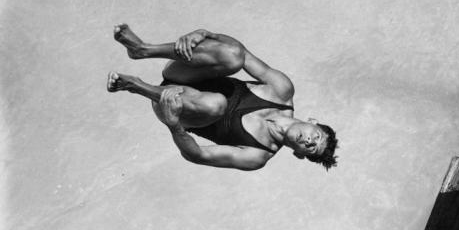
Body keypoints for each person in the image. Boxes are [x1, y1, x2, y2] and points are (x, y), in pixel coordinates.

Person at [107, 24, 338, 171]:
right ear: (313, 121)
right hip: (184, 73)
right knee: (234, 55)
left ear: (299, 154)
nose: (310, 141)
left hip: (173, 107)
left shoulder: (257, 155)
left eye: (311, 148)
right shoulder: (281, 90)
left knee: (215, 104)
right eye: (316, 136)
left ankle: (136, 86)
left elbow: (198, 155)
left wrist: (174, 124)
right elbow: (241, 51)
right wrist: (206, 34)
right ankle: (144, 50)